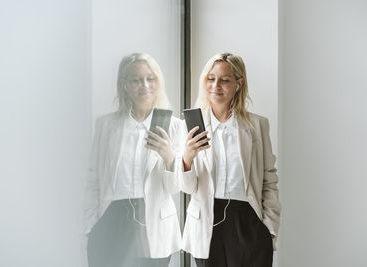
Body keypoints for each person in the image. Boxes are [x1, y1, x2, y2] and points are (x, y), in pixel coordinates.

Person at [180, 53, 281, 267]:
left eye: (225, 79)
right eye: (210, 78)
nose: (216, 85)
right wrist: (187, 158)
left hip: (249, 221)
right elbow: (188, 189)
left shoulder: (257, 126)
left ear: (238, 83)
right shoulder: (190, 125)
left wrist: (269, 229)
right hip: (207, 224)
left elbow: (269, 180)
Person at [84, 53, 181, 267]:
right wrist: (91, 225)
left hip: (153, 223)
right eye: (136, 80)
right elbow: (93, 179)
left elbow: (175, 187)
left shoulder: (174, 126)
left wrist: (168, 156)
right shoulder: (106, 125)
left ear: (158, 82)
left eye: (150, 78)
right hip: (112, 219)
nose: (144, 85)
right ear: (124, 84)